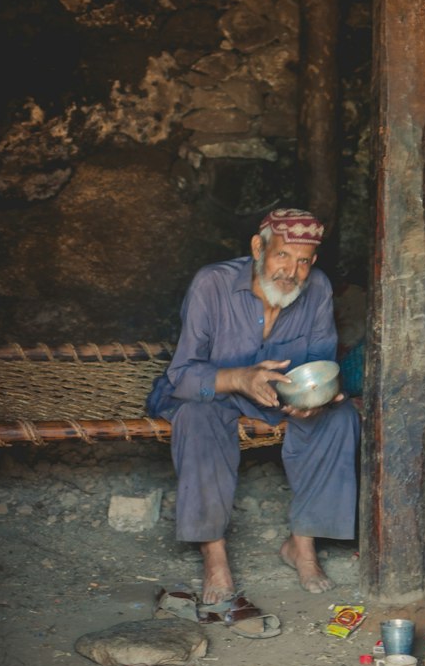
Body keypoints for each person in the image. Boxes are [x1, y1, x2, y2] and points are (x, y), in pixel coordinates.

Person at [147, 208, 360, 604]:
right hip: (214, 392)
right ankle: (214, 557)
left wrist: (311, 398)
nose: (291, 272)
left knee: (340, 418)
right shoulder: (212, 283)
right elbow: (183, 374)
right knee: (196, 418)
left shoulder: (318, 289)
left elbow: (320, 362)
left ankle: (302, 545)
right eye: (282, 256)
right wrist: (241, 378)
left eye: (303, 262)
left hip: (277, 395)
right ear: (258, 248)